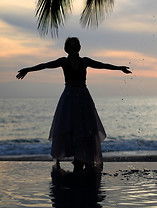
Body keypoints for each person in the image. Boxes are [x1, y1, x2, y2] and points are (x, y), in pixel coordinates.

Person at [16, 37, 132, 172]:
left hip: (83, 96)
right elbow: (45, 65)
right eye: (71, 44)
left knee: (85, 127)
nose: (74, 46)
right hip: (69, 96)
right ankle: (69, 156)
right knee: (67, 125)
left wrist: (119, 68)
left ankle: (82, 157)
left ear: (79, 47)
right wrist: (28, 70)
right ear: (67, 48)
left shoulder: (85, 61)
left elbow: (102, 65)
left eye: (76, 44)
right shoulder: (63, 62)